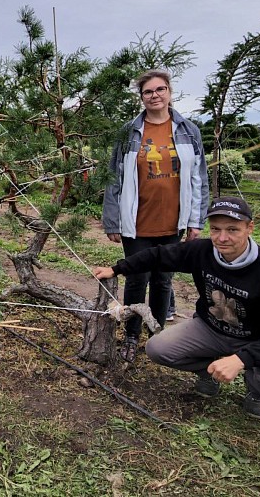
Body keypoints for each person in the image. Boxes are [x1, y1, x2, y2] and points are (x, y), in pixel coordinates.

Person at [94, 196, 260, 420]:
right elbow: (157, 255)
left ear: (249, 228)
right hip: (210, 329)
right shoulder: (202, 251)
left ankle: (258, 391)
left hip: (255, 339)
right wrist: (116, 269)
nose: (222, 238)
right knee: (157, 349)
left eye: (232, 229)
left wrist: (241, 359)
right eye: (215, 229)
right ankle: (209, 372)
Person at [102, 69, 209, 362]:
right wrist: (112, 219)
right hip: (137, 221)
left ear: (169, 93)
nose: (155, 95)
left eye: (160, 89)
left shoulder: (189, 130)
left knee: (163, 280)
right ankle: (131, 336)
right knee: (137, 279)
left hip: (172, 220)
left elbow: (199, 178)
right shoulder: (129, 132)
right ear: (141, 98)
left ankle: (157, 334)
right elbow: (114, 178)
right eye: (148, 92)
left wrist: (196, 220)